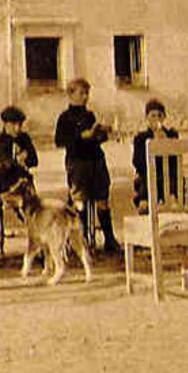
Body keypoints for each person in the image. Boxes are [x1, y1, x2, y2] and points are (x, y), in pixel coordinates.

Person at [54, 78, 120, 252]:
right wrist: (81, 136)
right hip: (78, 163)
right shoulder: (65, 118)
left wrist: (101, 133)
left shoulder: (90, 115)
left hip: (96, 161)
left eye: (86, 93)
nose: (85, 97)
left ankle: (109, 239)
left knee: (102, 200)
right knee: (79, 202)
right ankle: (80, 241)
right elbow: (59, 141)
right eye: (81, 93)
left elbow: (96, 139)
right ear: (70, 94)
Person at [131, 99, 179, 214]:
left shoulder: (172, 135)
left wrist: (166, 142)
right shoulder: (140, 138)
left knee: (171, 177)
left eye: (159, 115)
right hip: (147, 176)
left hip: (167, 176)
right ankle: (144, 202)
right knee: (145, 177)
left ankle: (173, 198)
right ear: (147, 118)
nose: (156, 119)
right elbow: (137, 163)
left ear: (164, 118)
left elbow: (175, 161)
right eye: (152, 116)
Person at [0, 105, 39, 193]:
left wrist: (26, 159)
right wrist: (17, 160)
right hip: (8, 189)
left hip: (26, 186)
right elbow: (3, 164)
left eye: (20, 125)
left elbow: (34, 161)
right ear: (5, 124)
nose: (17, 129)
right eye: (13, 125)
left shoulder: (24, 138)